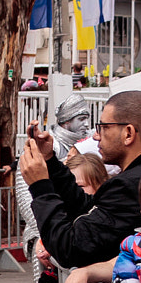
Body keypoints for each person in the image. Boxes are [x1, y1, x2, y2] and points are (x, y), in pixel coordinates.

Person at [19, 91, 141, 267]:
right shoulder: (128, 182)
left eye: (104, 127)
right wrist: (50, 162)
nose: (96, 136)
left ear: (128, 133)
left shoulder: (130, 186)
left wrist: (41, 187)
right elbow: (88, 208)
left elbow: (72, 247)